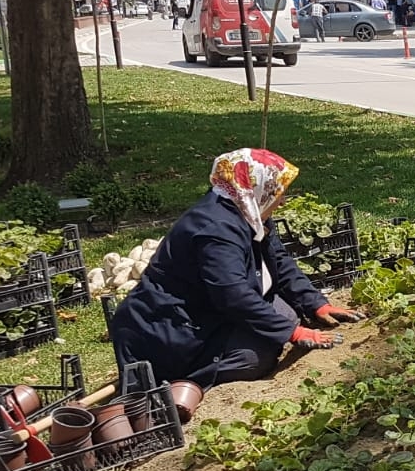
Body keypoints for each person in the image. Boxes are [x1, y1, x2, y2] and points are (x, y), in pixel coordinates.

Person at [109, 149, 362, 389]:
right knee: (255, 357)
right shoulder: (216, 230)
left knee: (284, 315)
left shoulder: (248, 210)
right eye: (279, 191)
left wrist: (316, 304)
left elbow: (279, 261)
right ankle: (182, 381)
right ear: (255, 186)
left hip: (208, 311)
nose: (282, 200)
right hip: (170, 328)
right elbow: (233, 295)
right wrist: (292, 333)